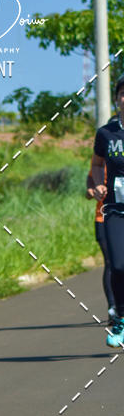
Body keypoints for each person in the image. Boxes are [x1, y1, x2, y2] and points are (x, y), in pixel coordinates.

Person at [90, 73, 124, 347]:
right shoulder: (106, 133)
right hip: (114, 209)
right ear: (116, 98)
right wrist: (97, 185)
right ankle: (120, 320)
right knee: (118, 265)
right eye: (122, 93)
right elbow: (97, 164)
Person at [85, 166, 116, 322]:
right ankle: (113, 308)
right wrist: (91, 190)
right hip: (103, 218)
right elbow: (91, 178)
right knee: (111, 262)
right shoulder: (103, 152)